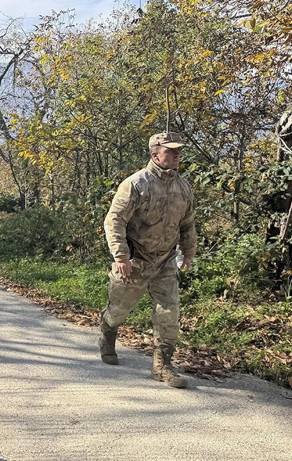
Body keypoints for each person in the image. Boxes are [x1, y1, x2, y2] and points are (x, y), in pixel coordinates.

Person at [100, 132, 197, 389]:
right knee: (119, 310)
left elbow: (187, 224)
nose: (177, 155)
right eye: (171, 151)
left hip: (165, 261)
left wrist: (188, 253)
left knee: (170, 312)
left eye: (179, 151)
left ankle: (162, 366)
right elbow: (115, 220)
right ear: (155, 154)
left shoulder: (183, 187)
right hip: (136, 260)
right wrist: (121, 255)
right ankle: (108, 332)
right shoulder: (135, 184)